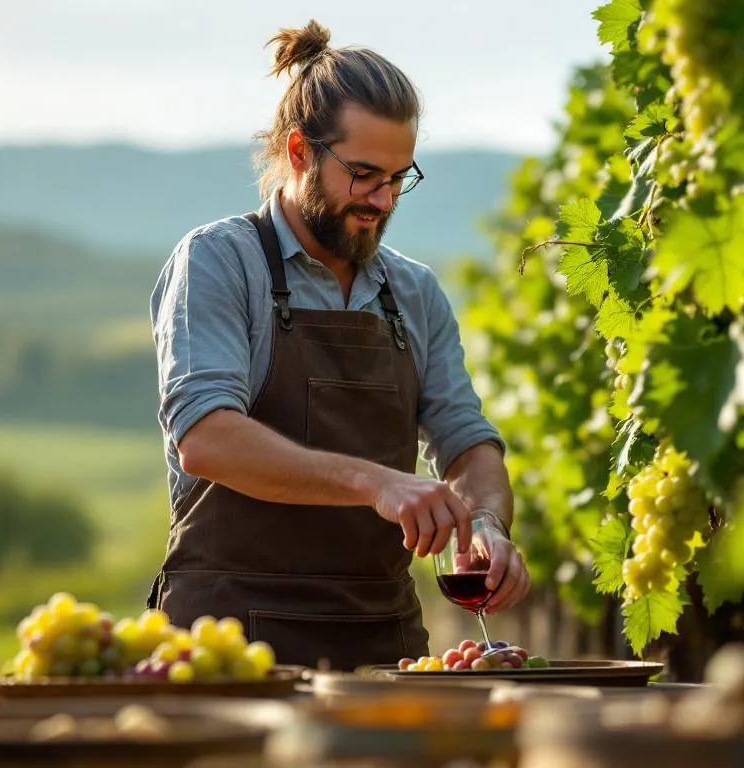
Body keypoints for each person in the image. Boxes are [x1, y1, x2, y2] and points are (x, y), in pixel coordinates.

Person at [146, 20, 530, 671]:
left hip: (385, 653)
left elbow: (466, 442)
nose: (382, 200)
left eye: (398, 178)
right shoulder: (218, 261)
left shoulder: (414, 293)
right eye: (363, 175)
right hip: (229, 650)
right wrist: (375, 482)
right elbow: (207, 437)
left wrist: (486, 520)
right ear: (299, 152)